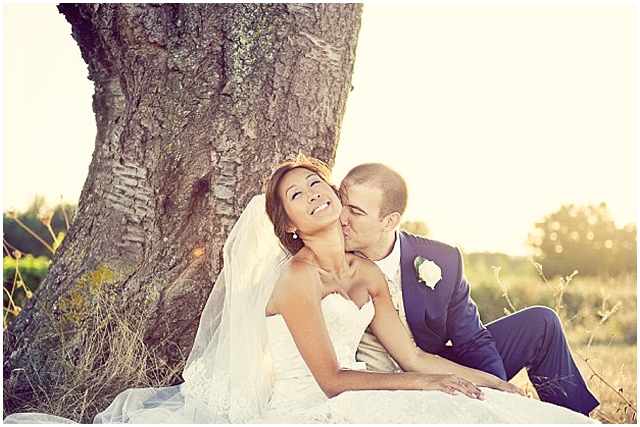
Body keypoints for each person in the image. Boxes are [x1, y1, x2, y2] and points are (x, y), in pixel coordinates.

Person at [4, 156, 597, 424]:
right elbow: (333, 381)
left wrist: (490, 386)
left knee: (489, 409)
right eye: (296, 194)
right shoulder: (293, 279)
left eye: (318, 182)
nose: (314, 192)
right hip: (314, 403)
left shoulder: (365, 274)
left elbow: (416, 355)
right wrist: (430, 382)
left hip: (372, 384)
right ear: (287, 223)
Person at [339, 162, 600, 416]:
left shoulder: (442, 259)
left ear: (389, 222)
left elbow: (471, 339)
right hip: (371, 380)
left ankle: (574, 419)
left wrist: (496, 396)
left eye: (355, 212)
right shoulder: (326, 255)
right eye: (342, 204)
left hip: (438, 367)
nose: (341, 218)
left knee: (542, 321)